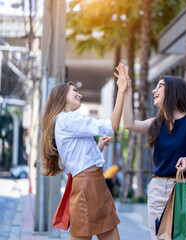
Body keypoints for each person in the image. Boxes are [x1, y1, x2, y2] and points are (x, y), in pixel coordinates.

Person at [115, 65, 186, 240]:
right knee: (158, 236)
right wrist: (127, 90)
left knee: (177, 237)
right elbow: (129, 124)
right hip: (158, 187)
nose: (154, 90)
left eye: (160, 86)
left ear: (174, 92)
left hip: (184, 187)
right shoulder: (156, 123)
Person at [40, 63, 130, 240]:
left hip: (91, 183)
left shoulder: (65, 122)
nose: (79, 94)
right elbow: (111, 126)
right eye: (73, 90)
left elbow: (78, 158)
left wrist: (98, 148)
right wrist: (121, 90)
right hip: (89, 184)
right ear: (61, 97)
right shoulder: (68, 119)